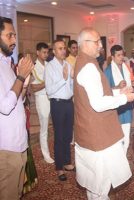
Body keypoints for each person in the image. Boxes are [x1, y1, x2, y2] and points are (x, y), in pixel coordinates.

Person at [74, 27, 134, 200]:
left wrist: (120, 93)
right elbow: (98, 103)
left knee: (93, 182)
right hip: (97, 134)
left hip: (89, 131)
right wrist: (125, 99)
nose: (101, 46)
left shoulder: (84, 61)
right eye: (97, 42)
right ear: (85, 44)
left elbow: (99, 92)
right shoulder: (88, 67)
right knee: (100, 183)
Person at [0, 16, 34, 200]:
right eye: (9, 35)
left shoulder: (6, 63)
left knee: (17, 194)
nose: (14, 40)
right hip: (5, 149)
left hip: (18, 144)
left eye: (14, 35)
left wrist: (25, 83)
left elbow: (15, 102)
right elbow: (4, 107)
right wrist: (20, 77)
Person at [44, 39, 75, 181]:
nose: (63, 50)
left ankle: (68, 162)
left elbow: (71, 85)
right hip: (57, 104)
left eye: (64, 48)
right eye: (60, 48)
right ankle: (59, 168)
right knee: (59, 137)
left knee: (68, 136)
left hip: (69, 103)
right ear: (54, 51)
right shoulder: (49, 67)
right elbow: (49, 91)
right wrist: (63, 79)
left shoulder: (68, 64)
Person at [104, 45, 134, 155]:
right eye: (118, 55)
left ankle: (123, 159)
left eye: (122, 55)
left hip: (126, 106)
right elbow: (104, 92)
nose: (121, 57)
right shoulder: (108, 71)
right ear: (112, 57)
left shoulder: (126, 68)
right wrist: (117, 86)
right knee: (117, 138)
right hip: (116, 109)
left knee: (126, 138)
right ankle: (118, 161)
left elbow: (131, 84)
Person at [30, 42, 54, 164]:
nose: (46, 54)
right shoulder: (34, 67)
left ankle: (53, 149)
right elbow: (33, 87)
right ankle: (46, 154)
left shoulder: (49, 64)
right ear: (38, 52)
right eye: (43, 52)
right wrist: (47, 83)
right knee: (44, 127)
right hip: (42, 98)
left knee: (54, 125)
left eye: (47, 52)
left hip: (53, 97)